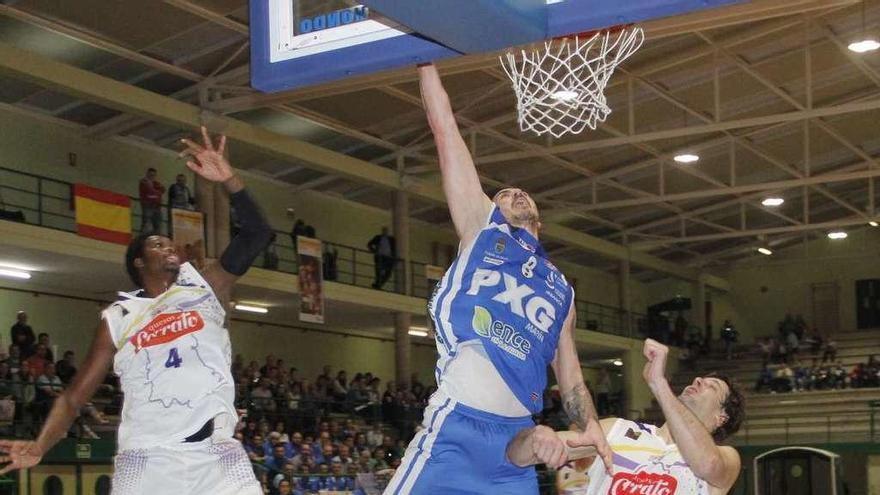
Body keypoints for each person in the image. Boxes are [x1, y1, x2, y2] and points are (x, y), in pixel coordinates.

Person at [0, 128, 273, 495]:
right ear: (140, 262)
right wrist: (40, 445)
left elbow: (257, 233)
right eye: (159, 244)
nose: (172, 246)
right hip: (149, 459)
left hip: (215, 454)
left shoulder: (203, 285)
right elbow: (74, 397)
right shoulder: (118, 317)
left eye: (171, 242)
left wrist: (229, 179)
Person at [384, 64, 612, 494]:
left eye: (521, 193)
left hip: (517, 442)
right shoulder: (482, 229)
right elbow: (445, 129)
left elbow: (569, 370)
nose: (514, 193)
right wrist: (424, 61)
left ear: (539, 218)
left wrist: (592, 424)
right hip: (458, 425)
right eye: (503, 193)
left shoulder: (562, 288)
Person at [509, 339, 745, 495]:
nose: (698, 380)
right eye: (699, 379)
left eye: (712, 386)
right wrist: (534, 439)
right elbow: (518, 456)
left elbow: (708, 464)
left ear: (722, 417)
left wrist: (658, 383)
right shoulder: (616, 429)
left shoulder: (726, 458)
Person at [139, 167, 165, 234]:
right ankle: (143, 240)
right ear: (147, 174)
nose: (151, 177)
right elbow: (149, 192)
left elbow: (163, 189)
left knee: (157, 225)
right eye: (150, 175)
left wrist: (154, 192)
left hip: (156, 206)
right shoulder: (143, 182)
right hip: (148, 205)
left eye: (153, 175)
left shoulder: (156, 183)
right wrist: (156, 193)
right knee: (147, 225)